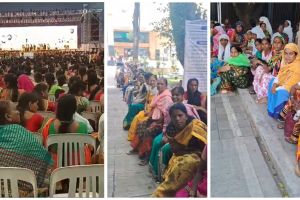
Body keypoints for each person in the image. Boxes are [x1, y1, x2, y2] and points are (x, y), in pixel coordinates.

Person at [152, 103, 207, 197]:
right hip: (179, 155)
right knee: (170, 156)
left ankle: (164, 192)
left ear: (186, 115)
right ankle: (170, 188)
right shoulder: (171, 128)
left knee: (187, 162)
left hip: (199, 157)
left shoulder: (196, 126)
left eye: (180, 115)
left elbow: (205, 146)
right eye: (174, 117)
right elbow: (175, 149)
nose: (177, 119)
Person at [0, 100, 52, 196]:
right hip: (24, 193)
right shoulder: (19, 132)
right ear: (8, 116)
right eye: (15, 109)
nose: (19, 111)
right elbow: (44, 159)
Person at [149, 86, 200, 181]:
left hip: (186, 140)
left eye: (178, 95)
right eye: (174, 95)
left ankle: (163, 176)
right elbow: (168, 124)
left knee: (165, 149)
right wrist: (165, 135)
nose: (175, 97)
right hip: (173, 134)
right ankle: (155, 171)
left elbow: (193, 128)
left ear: (183, 96)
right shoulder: (170, 108)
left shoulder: (188, 108)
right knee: (157, 141)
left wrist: (173, 140)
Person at [129, 78, 173, 166]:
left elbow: (165, 115)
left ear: (166, 85)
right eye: (158, 84)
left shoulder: (167, 98)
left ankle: (147, 157)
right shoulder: (158, 95)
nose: (159, 86)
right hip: (154, 118)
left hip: (161, 123)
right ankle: (137, 149)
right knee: (141, 125)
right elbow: (153, 107)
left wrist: (155, 123)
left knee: (148, 131)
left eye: (162, 84)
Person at [41, 94, 90, 168]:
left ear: (58, 108)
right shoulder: (83, 127)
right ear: (74, 109)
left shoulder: (49, 125)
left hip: (54, 170)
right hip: (77, 169)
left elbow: (44, 147)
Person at [268, 43, 300, 119]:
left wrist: (276, 88)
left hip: (292, 89)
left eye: (291, 54)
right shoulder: (285, 63)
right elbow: (279, 75)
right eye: (286, 54)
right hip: (284, 84)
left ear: (296, 55)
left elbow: (290, 85)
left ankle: (280, 115)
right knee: (272, 82)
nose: (287, 56)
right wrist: (275, 85)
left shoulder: (298, 66)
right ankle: (271, 109)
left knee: (280, 92)